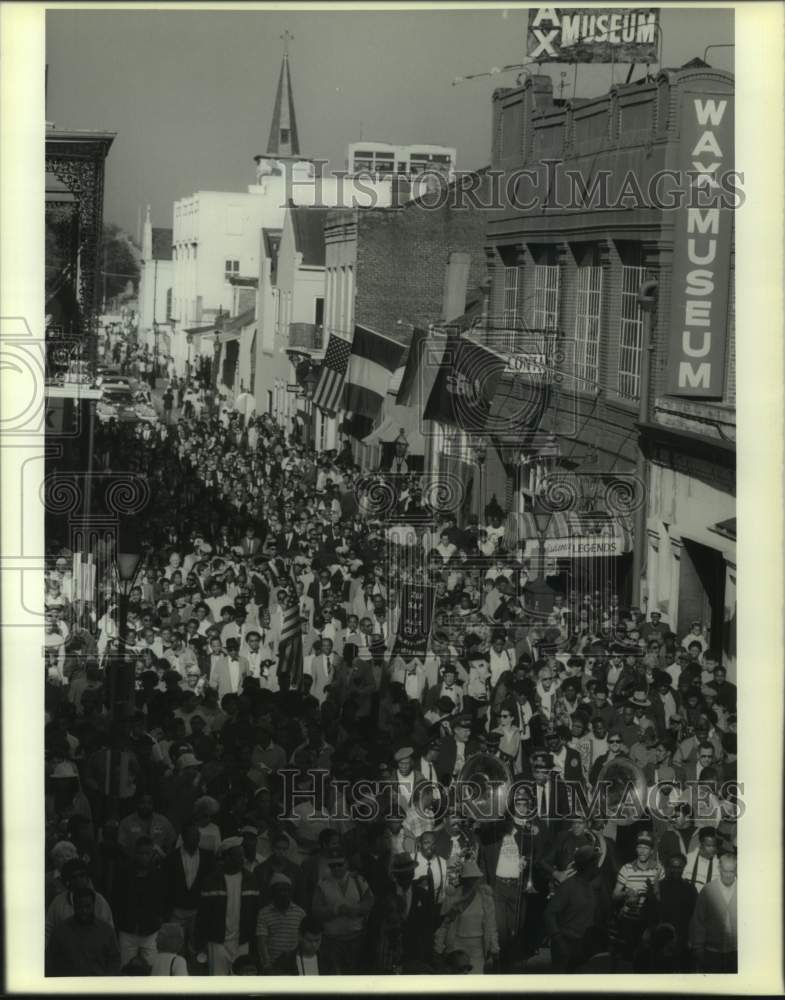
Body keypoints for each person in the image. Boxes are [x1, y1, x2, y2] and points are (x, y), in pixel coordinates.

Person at [195, 836, 261, 975]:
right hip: (217, 941)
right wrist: (201, 943)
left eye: (243, 855)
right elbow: (203, 915)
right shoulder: (211, 880)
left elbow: (255, 912)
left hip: (242, 941)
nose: (242, 859)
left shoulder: (251, 879)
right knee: (219, 984)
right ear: (227, 857)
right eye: (238, 856)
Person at [311, 848, 374, 973]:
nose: (336, 868)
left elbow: (370, 902)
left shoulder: (358, 880)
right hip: (333, 942)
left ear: (346, 863)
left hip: (357, 939)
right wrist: (334, 911)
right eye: (333, 865)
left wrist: (355, 910)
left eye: (340, 864)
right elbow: (315, 910)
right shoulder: (322, 884)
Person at [434, 857, 499, 974]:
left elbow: (491, 924)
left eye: (474, 879)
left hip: (478, 949)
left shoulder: (485, 898)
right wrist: (438, 947)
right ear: (463, 879)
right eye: (469, 878)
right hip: (457, 946)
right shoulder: (452, 898)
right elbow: (444, 925)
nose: (472, 882)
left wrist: (494, 947)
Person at [112, 835, 166, 968]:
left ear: (152, 854)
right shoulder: (124, 873)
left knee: (152, 969)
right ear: (135, 853)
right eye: (141, 853)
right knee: (125, 969)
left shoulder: (158, 874)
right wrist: (120, 921)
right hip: (127, 930)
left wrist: (159, 920)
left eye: (147, 853)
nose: (144, 857)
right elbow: (116, 900)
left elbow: (163, 900)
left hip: (150, 930)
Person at [544, 844, 599, 972]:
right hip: (566, 945)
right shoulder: (568, 886)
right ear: (588, 866)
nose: (597, 867)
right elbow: (549, 914)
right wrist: (558, 940)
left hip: (583, 946)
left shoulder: (590, 887)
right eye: (595, 864)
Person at [45, 886, 121, 977]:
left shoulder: (106, 931)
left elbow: (115, 960)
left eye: (87, 906)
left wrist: (105, 982)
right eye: (80, 907)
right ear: (74, 906)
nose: (84, 910)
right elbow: (50, 962)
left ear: (93, 906)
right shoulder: (60, 931)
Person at [689, 852, 737, 972]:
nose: (728, 875)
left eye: (731, 872)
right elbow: (698, 920)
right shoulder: (708, 890)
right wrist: (698, 946)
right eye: (725, 871)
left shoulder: (744, 889)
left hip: (736, 950)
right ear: (719, 869)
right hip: (712, 950)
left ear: (736, 870)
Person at [256, 873, 307, 971]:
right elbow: (262, 941)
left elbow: (303, 941)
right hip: (273, 964)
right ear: (272, 893)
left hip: (295, 964)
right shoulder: (264, 913)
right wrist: (267, 963)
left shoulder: (300, 913)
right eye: (279, 890)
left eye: (286, 890)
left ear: (290, 892)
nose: (283, 893)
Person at [272, 915, 337, 975]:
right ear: (300, 936)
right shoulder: (285, 961)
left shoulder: (328, 961)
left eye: (317, 940)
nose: (314, 945)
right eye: (309, 940)